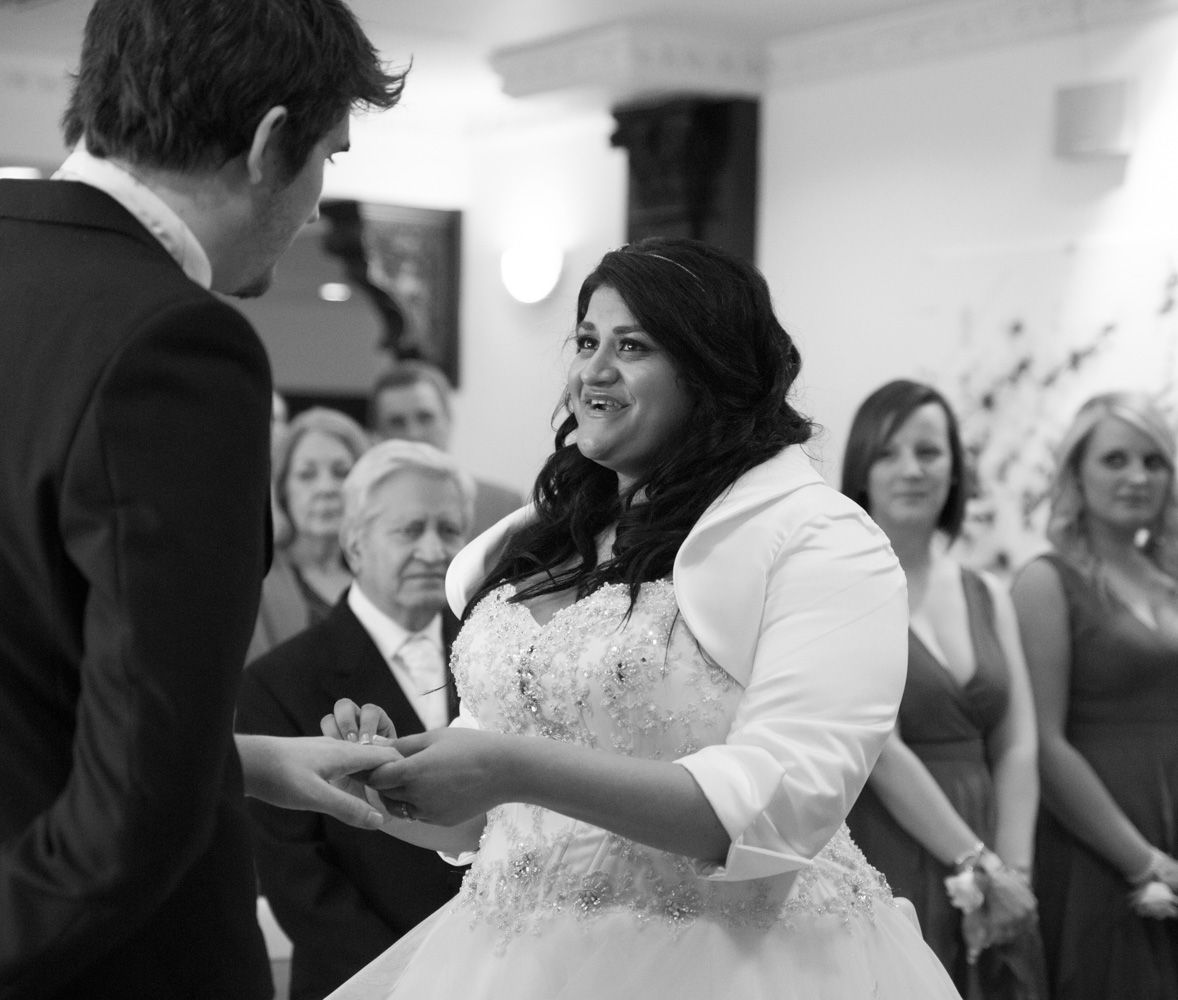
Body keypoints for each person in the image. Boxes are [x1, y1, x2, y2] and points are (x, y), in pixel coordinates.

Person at [322, 237, 960, 999]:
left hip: (734, 961)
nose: (593, 370)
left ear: (711, 370)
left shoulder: (817, 539)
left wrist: (510, 767)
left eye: (632, 346)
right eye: (587, 341)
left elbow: (785, 806)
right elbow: (483, 823)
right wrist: (389, 788)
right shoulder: (544, 540)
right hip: (510, 961)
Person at [0, 1, 403, 996]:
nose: (316, 200)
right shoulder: (174, 344)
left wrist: (247, 761)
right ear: (270, 141)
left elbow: (1, 685)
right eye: (327, 156)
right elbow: (136, 801)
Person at [238, 440, 474, 999]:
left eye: (449, 529)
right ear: (354, 544)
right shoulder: (279, 681)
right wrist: (417, 981)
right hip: (364, 980)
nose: (433, 548)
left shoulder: (492, 653)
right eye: (409, 529)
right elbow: (298, 879)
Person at [841, 380, 1045, 998]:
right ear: (862, 472)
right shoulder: (845, 585)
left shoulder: (987, 592)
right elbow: (881, 746)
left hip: (994, 840)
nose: (911, 469)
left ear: (956, 469)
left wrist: (1014, 870)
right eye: (888, 453)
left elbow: (1019, 745)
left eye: (929, 452)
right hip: (891, 836)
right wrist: (973, 862)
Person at [1012, 392, 1178, 1000]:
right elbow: (1045, 745)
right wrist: (1144, 862)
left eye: (1153, 461)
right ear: (1077, 473)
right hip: (1099, 846)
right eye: (1115, 460)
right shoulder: (1045, 581)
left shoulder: (1172, 581)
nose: (1137, 477)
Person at [249, 406, 372, 663]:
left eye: (341, 473)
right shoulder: (255, 579)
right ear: (282, 489)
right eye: (306, 475)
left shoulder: (380, 575)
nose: (325, 488)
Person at [370, 360, 523, 539]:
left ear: (448, 420)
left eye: (425, 417)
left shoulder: (504, 508)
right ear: (375, 436)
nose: (414, 434)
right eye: (397, 422)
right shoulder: (364, 512)